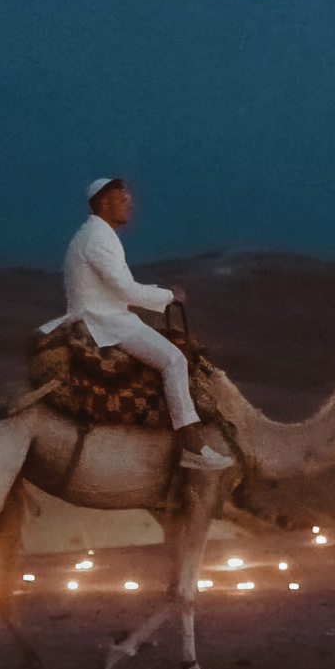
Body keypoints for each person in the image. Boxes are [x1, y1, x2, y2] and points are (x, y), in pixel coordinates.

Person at [39, 178, 231, 469]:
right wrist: (168, 296)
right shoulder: (98, 239)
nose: (130, 200)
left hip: (106, 315)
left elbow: (122, 287)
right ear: (103, 203)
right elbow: (125, 290)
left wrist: (161, 294)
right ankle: (191, 445)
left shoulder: (97, 235)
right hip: (104, 322)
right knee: (174, 360)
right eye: (122, 196)